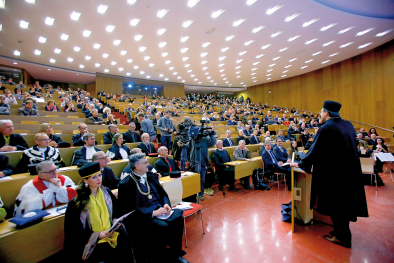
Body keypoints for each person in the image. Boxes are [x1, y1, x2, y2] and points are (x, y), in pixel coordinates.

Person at [290, 100, 368, 248]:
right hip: (350, 173)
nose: (319, 114)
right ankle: (343, 232)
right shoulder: (348, 125)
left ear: (326, 112)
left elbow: (315, 150)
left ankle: (342, 237)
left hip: (334, 175)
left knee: (336, 205)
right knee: (345, 205)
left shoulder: (327, 128)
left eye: (321, 111)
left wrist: (300, 163)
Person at [118, 153, 188, 263]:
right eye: (145, 162)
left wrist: (166, 204)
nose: (148, 164)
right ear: (137, 166)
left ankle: (176, 253)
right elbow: (129, 210)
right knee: (162, 226)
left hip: (161, 209)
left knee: (178, 216)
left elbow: (163, 194)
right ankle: (161, 257)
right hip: (143, 217)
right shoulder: (126, 184)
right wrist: (153, 213)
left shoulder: (150, 176)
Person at [64, 162, 135, 263]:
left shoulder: (107, 192)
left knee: (126, 239)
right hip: (90, 240)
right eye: (94, 177)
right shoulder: (77, 203)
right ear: (85, 180)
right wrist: (97, 235)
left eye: (100, 175)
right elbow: (73, 230)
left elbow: (117, 211)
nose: (99, 179)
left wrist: (115, 221)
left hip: (110, 233)